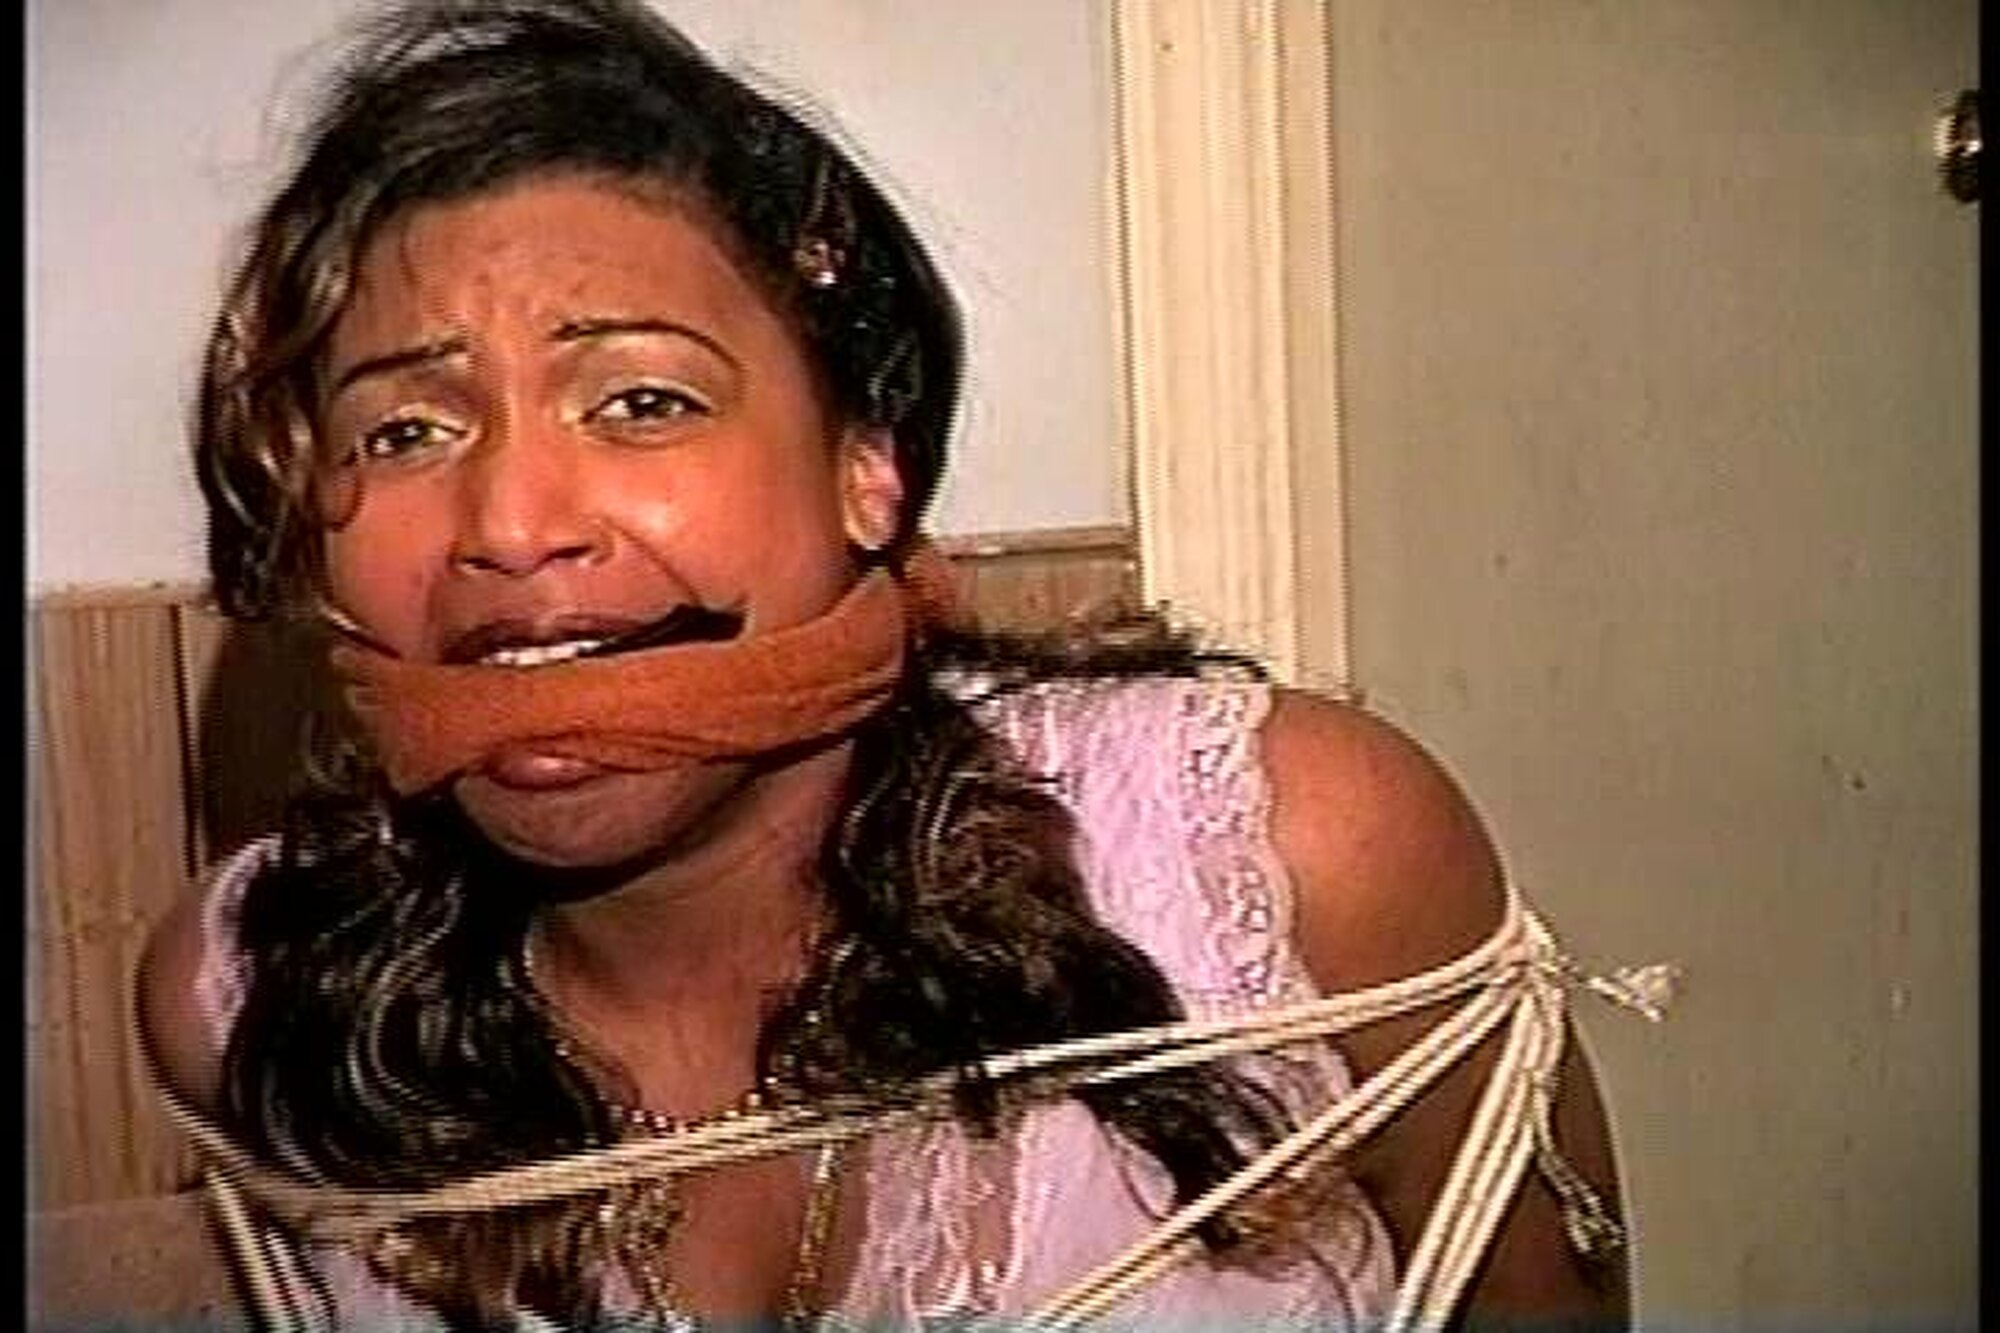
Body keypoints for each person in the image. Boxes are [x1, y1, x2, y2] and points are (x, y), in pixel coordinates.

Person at [137, 1, 1635, 1328]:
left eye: (644, 402)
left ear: (867, 464)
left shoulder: (1286, 855)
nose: (512, 526)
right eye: (405, 430)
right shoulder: (245, 1001)